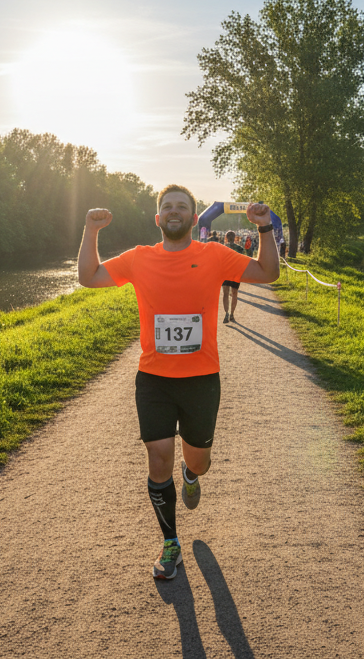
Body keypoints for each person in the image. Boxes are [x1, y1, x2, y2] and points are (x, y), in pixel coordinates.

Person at [78, 185, 279, 581]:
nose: (174, 211)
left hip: (201, 380)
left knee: (198, 461)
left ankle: (191, 474)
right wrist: (90, 230)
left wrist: (265, 228)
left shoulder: (215, 255)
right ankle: (170, 543)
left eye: (182, 206)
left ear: (194, 217)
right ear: (158, 218)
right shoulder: (139, 258)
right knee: (157, 459)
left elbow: (268, 272)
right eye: (167, 206)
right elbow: (88, 277)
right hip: (153, 380)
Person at [220, 231, 246, 324]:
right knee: (234, 294)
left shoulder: (222, 248)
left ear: (226, 237)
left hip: (225, 273)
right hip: (235, 273)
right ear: (235, 237)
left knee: (225, 294)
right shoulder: (240, 249)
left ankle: (226, 313)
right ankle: (231, 314)